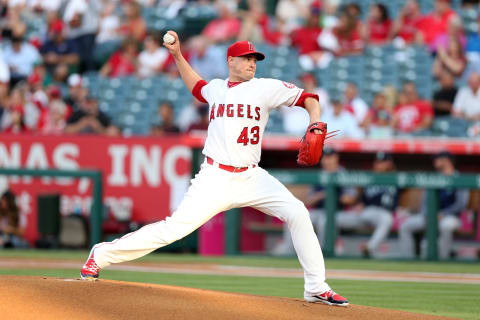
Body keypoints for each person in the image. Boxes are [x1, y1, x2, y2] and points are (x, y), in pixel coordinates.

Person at [80, 32, 349, 306]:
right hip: (214, 177)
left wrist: (315, 122)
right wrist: (177, 55)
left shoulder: (265, 87)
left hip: (251, 176)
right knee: (172, 230)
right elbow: (197, 87)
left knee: (298, 213)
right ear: (231, 60)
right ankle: (100, 255)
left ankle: (316, 286)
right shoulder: (217, 88)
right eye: (246, 58)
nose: (252, 63)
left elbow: (309, 98)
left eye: (255, 59)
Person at [271, 147, 358, 255]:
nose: (327, 161)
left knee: (325, 220)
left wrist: (333, 195)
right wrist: (321, 195)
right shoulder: (319, 175)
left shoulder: (343, 174)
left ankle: (323, 253)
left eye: (330, 157)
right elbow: (309, 201)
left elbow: (351, 199)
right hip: (318, 210)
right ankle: (288, 251)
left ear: (336, 158)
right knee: (294, 216)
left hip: (338, 212)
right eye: (325, 158)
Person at [399, 152, 469, 259]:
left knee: (445, 226)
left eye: (438, 159)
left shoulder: (459, 177)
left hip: (451, 217)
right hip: (430, 216)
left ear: (447, 160)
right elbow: (425, 202)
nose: (435, 161)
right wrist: (428, 215)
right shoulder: (434, 178)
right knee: (405, 226)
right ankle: (407, 258)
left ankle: (442, 259)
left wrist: (443, 214)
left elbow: (461, 204)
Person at [344, 152, 397, 258]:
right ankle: (326, 250)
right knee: (335, 218)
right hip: (367, 212)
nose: (379, 165)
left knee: (387, 219)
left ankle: (369, 248)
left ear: (389, 163)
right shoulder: (369, 177)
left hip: (384, 213)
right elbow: (360, 197)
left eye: (383, 162)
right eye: (378, 162)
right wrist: (359, 203)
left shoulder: (396, 178)